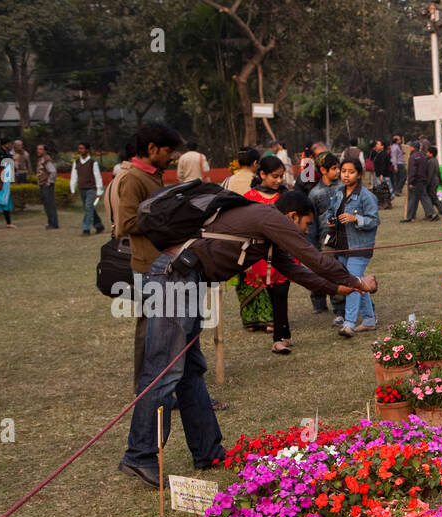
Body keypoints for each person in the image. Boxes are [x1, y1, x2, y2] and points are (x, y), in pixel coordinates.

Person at [118, 190, 377, 488]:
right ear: (292, 216)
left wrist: (339, 289)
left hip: (185, 278)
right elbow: (312, 257)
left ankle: (207, 452)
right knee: (164, 370)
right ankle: (140, 454)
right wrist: (356, 281)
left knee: (190, 370)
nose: (305, 231)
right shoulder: (269, 217)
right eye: (304, 225)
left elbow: (295, 270)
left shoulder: (264, 229)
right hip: (173, 277)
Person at [108, 123, 182, 389]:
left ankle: (160, 384)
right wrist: (167, 220)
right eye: (168, 150)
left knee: (166, 328)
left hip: (162, 263)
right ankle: (146, 387)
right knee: (150, 330)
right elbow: (126, 223)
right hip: (148, 265)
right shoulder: (132, 178)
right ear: (151, 148)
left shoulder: (152, 175)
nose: (172, 156)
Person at [237, 155, 294, 351]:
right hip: (261, 255)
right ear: (262, 174)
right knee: (273, 294)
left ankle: (281, 336)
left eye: (281, 177)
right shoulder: (249, 198)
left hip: (284, 251)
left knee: (281, 293)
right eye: (274, 177)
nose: (279, 181)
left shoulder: (285, 196)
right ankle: (281, 336)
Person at [328, 157, 380, 337]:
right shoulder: (338, 192)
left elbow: (374, 220)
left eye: (351, 172)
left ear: (359, 174)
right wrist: (329, 219)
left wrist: (355, 218)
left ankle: (349, 323)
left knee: (352, 283)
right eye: (343, 171)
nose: (346, 175)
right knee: (358, 283)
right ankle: (369, 320)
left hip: (360, 247)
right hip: (341, 246)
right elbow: (330, 210)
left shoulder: (366, 196)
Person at [307, 152, 344, 316]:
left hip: (343, 239)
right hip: (324, 241)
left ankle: (340, 308)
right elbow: (312, 223)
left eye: (338, 168)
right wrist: (312, 246)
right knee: (321, 272)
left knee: (339, 273)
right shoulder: (315, 194)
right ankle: (319, 303)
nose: (338, 172)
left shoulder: (344, 187)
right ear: (323, 170)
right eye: (334, 168)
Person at [70, 143, 105, 236]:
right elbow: (74, 176)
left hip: (91, 189)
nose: (80, 150)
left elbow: (98, 177)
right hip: (82, 189)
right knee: (89, 208)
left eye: (82, 148)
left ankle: (86, 229)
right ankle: (99, 226)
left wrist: (99, 191)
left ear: (87, 150)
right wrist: (72, 190)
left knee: (88, 207)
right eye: (79, 148)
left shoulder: (93, 163)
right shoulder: (76, 162)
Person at [402, 140, 438, 222]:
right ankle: (432, 213)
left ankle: (410, 217)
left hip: (415, 181)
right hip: (423, 180)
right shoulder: (423, 156)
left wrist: (411, 181)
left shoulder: (413, 157)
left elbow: (412, 170)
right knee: (424, 197)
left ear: (413, 147)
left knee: (412, 199)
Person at [35, 144, 59, 229]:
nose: (38, 151)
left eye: (40, 149)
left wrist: (48, 182)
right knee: (46, 204)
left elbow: (53, 171)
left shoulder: (46, 159)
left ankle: (53, 223)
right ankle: (50, 222)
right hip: (43, 184)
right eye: (38, 149)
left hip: (47, 185)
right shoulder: (41, 159)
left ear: (45, 151)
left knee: (50, 204)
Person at [425, 146, 442, 216]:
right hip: (435, 181)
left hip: (432, 182)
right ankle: (431, 211)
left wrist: (427, 184)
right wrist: (441, 182)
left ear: (431, 154)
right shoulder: (435, 160)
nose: (426, 153)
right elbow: (438, 172)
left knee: (433, 197)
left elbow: (430, 174)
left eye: (428, 152)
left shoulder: (430, 161)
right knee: (432, 197)